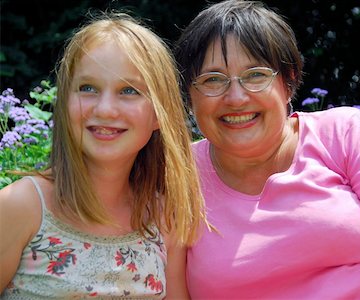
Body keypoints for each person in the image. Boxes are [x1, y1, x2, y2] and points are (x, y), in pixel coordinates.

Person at [174, 0, 360, 299]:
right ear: (190, 95)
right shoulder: (177, 175)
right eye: (213, 80)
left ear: (288, 82)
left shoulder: (345, 133)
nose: (236, 97)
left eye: (256, 75)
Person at [0, 12, 207, 298]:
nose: (105, 109)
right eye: (88, 88)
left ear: (161, 113)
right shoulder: (20, 208)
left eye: (128, 90)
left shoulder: (163, 219)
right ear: (65, 102)